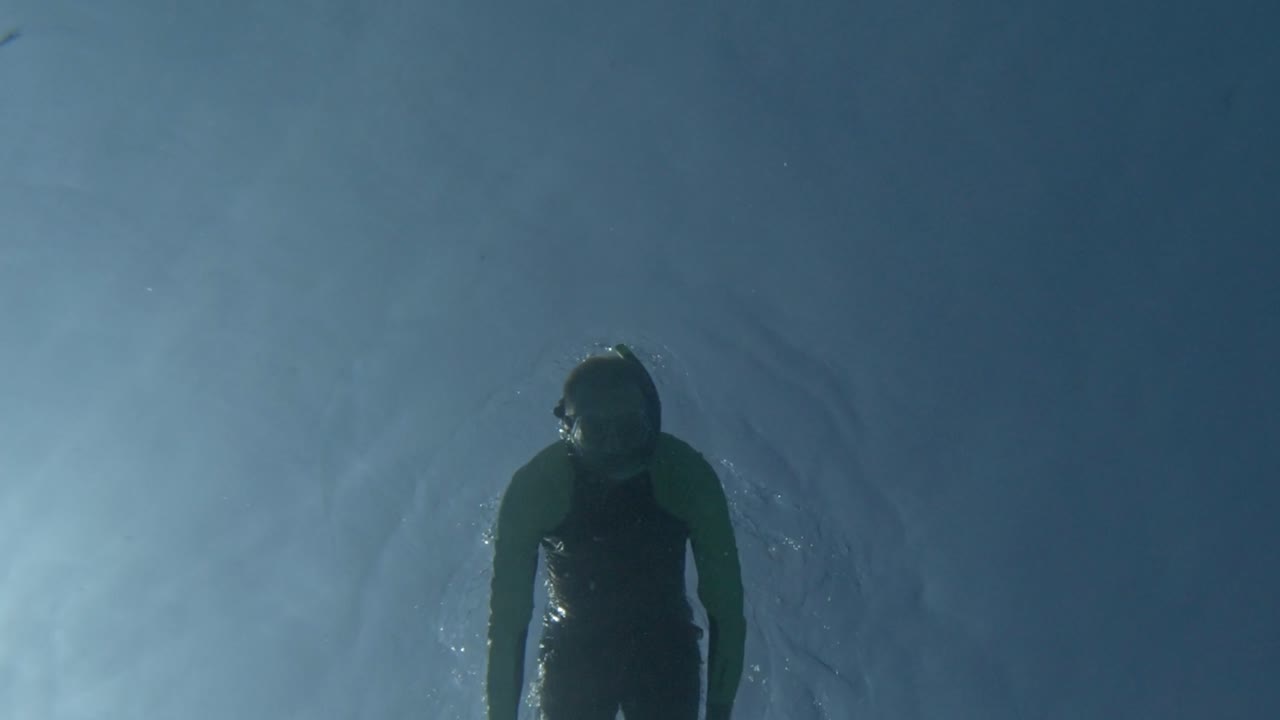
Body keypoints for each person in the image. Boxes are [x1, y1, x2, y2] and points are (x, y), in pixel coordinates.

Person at [486, 344, 745, 720]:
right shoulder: (537, 489)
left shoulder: (687, 476)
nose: (614, 448)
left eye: (628, 430)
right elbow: (508, 622)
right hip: (576, 651)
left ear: (650, 422)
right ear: (568, 427)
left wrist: (720, 712)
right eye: (594, 432)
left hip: (663, 648)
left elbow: (726, 608)